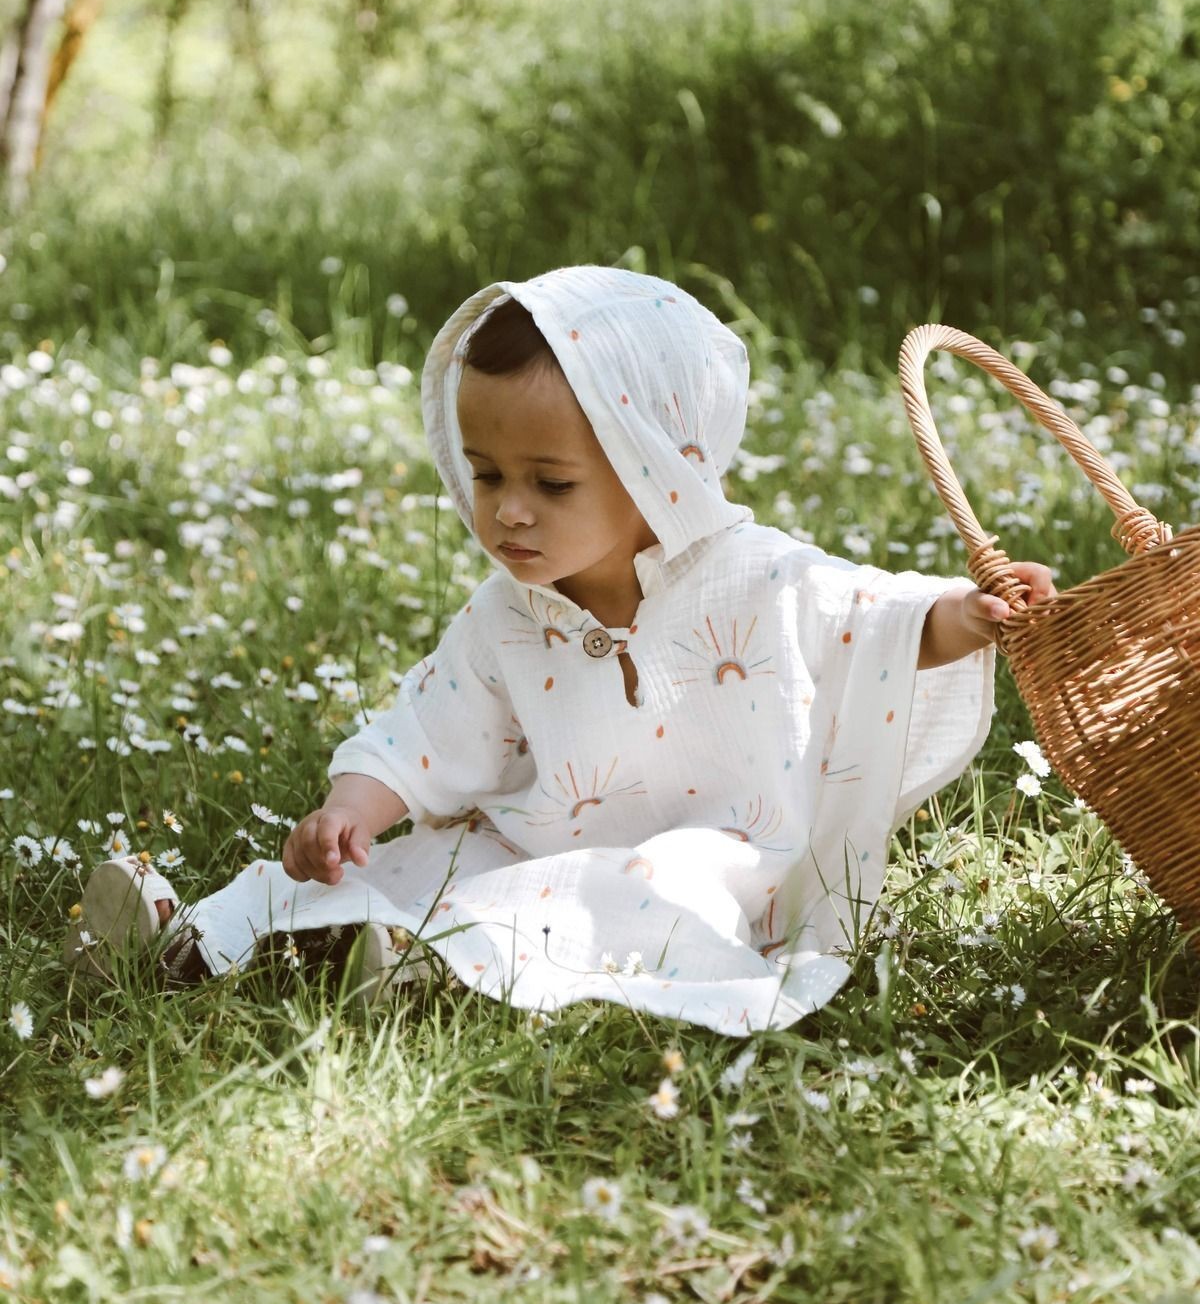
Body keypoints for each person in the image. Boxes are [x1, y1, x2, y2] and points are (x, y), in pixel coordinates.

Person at [66, 267, 1053, 1036]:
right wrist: (351, 809)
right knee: (422, 863)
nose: (508, 511)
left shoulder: (761, 576)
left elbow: (869, 621)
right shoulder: (507, 614)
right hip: (525, 843)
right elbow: (429, 726)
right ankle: (196, 935)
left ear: (658, 473)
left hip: (710, 861)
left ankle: (420, 969)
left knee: (638, 891)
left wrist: (969, 614)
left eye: (552, 482)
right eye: (487, 474)